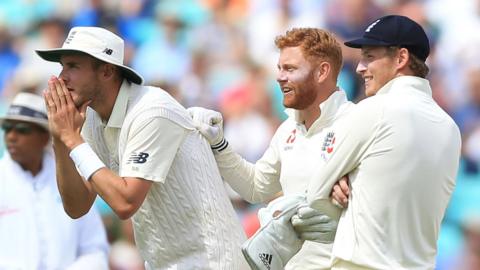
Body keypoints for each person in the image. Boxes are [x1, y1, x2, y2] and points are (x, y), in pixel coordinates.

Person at [37, 27, 247, 269]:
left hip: (214, 262)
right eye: (62, 66)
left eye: (73, 66)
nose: (61, 77)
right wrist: (61, 140)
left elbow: (125, 203)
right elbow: (77, 206)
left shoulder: (151, 111)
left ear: (106, 70)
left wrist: (73, 139)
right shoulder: (92, 118)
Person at [303, 15, 461, 269]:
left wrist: (341, 193)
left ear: (401, 58)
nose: (359, 67)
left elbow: (315, 193)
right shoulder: (451, 129)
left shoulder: (374, 109)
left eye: (369, 56)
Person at [189, 27, 353, 269]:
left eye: (290, 69)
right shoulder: (288, 128)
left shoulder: (356, 122)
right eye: (279, 68)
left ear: (322, 71)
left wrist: (351, 208)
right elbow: (256, 187)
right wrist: (218, 144)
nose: (279, 76)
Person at [0, 92, 109, 269]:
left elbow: (94, 248)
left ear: (45, 137)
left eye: (22, 129)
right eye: (7, 128)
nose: (11, 136)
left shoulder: (71, 181)